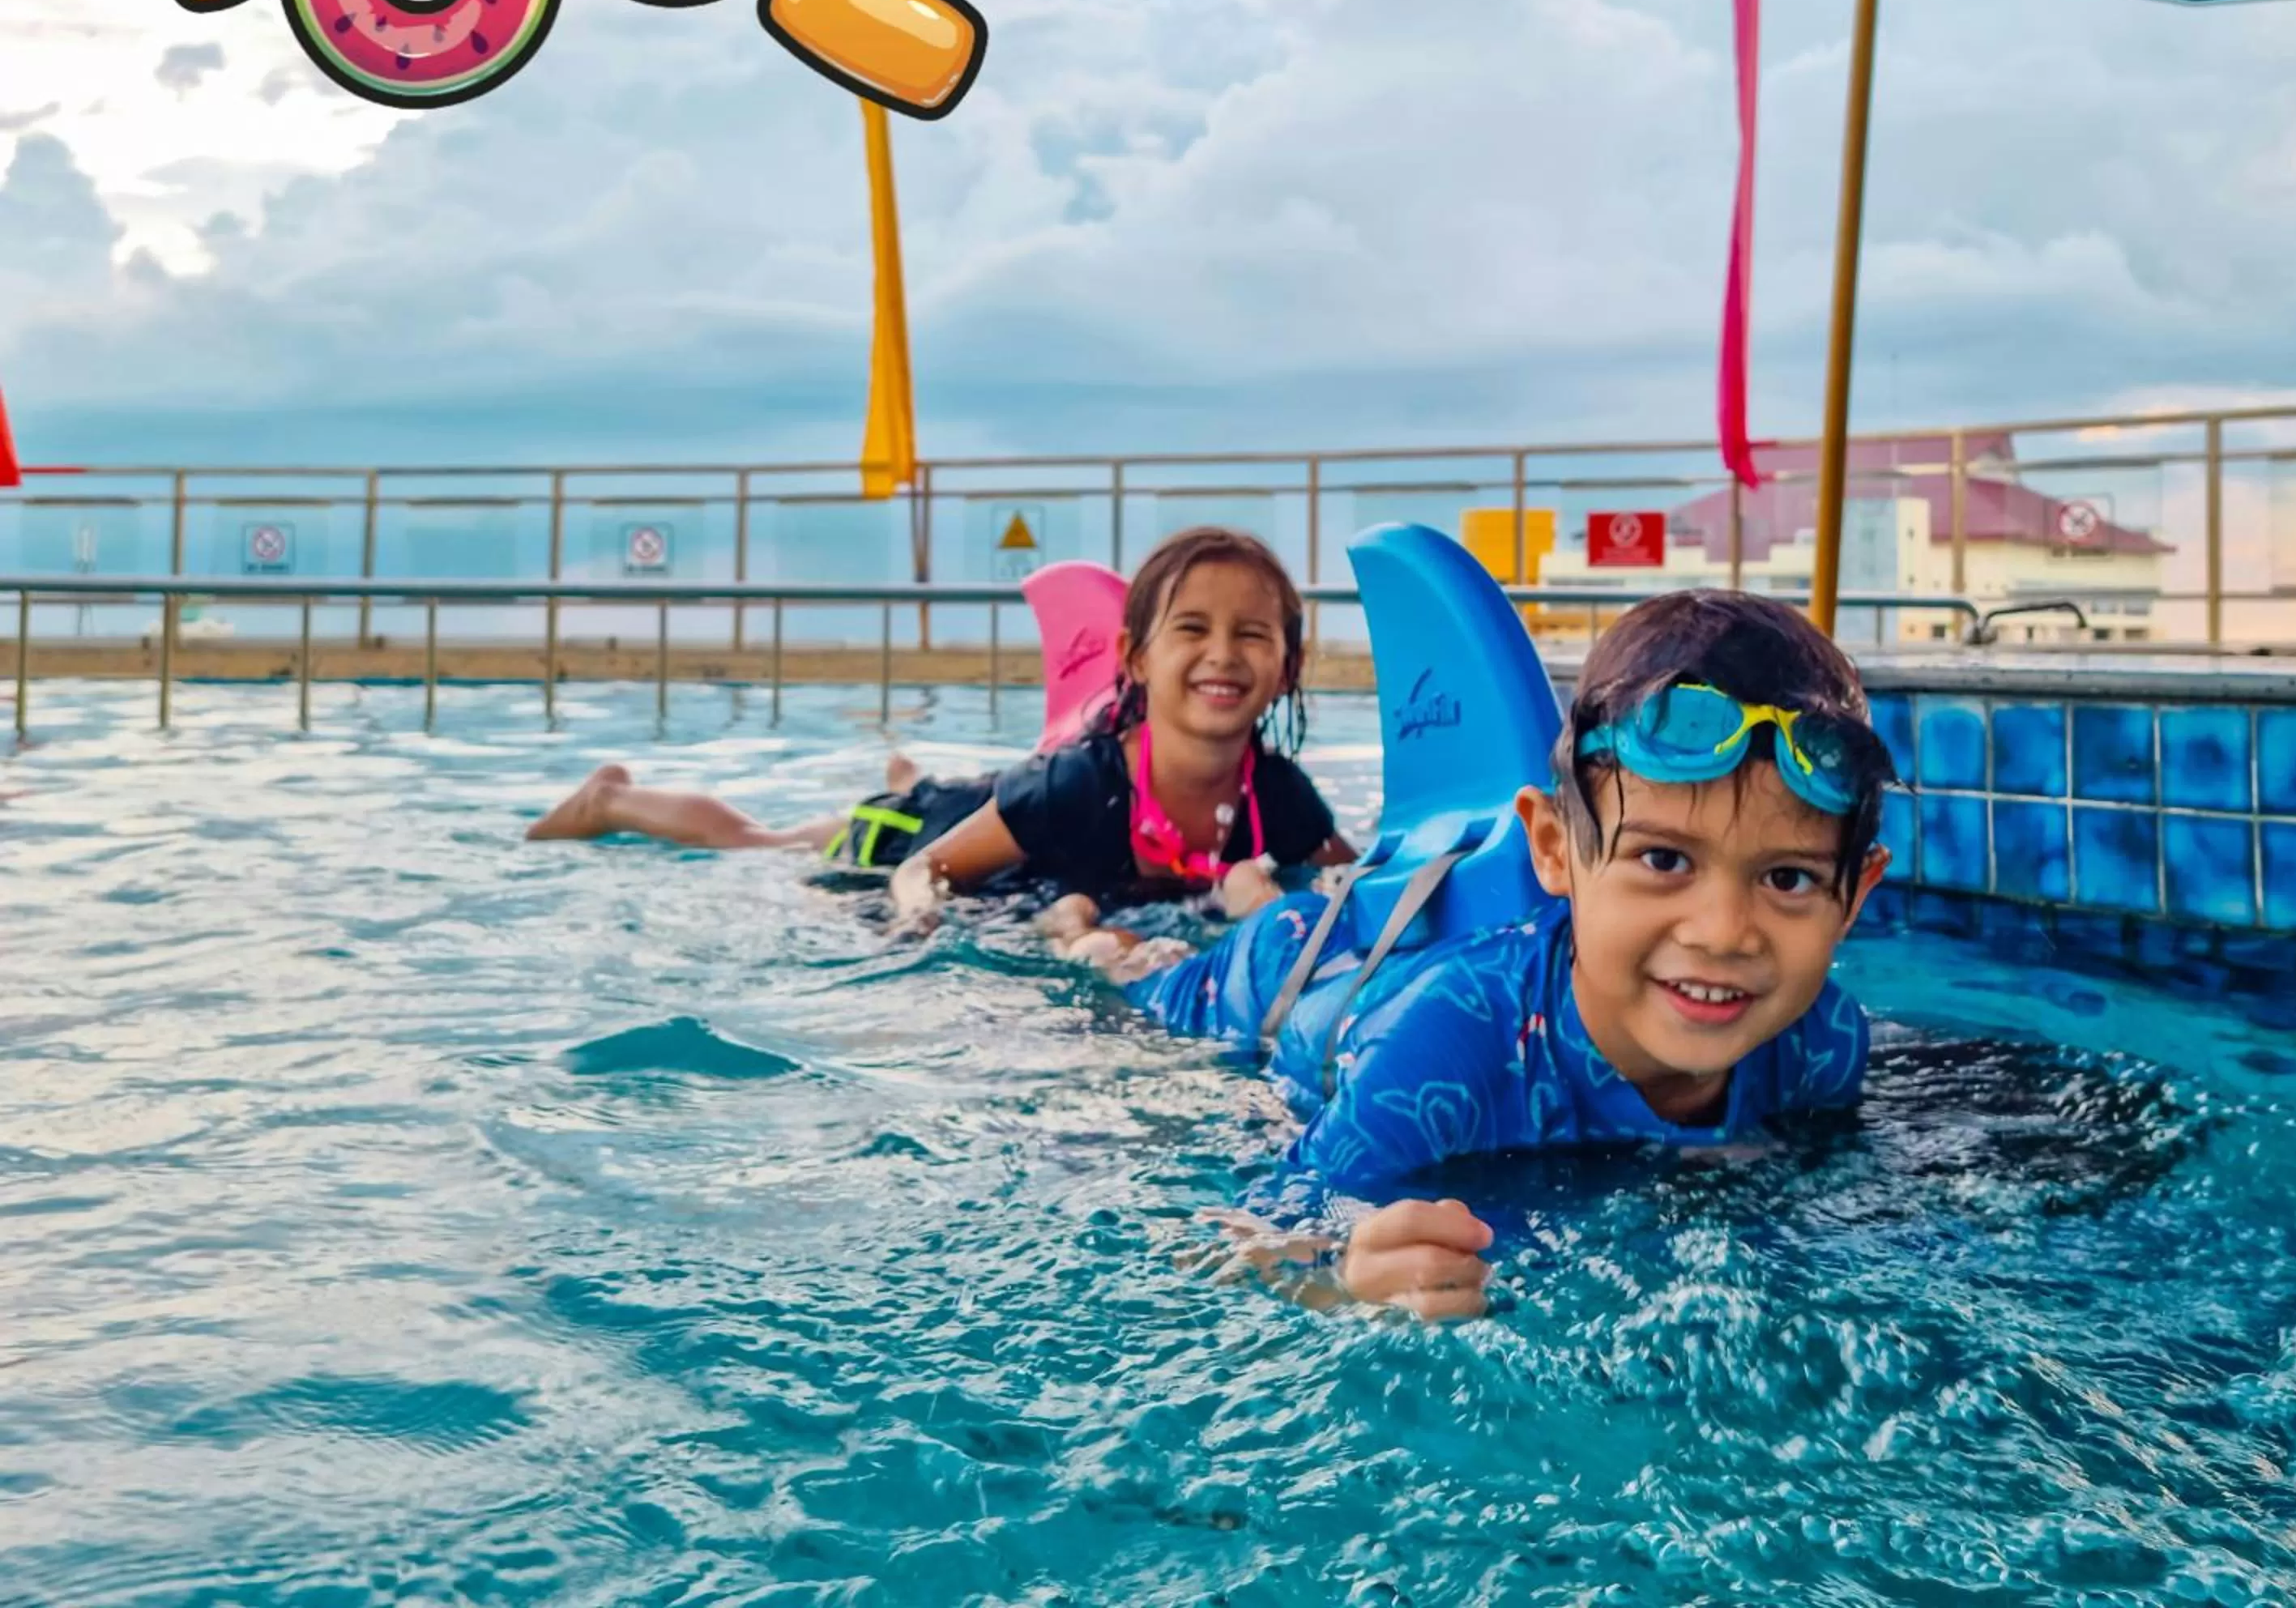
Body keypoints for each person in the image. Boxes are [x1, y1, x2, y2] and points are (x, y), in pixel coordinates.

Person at [1114, 588, 1897, 1319]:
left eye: (1788, 878)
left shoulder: (1821, 1047)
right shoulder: (1450, 1047)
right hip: (1284, 980)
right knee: (1132, 974)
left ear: (1854, 897)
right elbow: (1221, 1244)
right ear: (1552, 848)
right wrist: (1339, 1273)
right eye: (1664, 861)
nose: (1725, 932)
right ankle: (1104, 934)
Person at [528, 527, 1358, 931]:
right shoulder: (1082, 783)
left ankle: (907, 775)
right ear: (1134, 658)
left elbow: (1366, 879)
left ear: (1288, 664)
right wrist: (917, 923)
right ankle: (615, 798)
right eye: (1194, 630)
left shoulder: (1278, 796)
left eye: (1252, 634)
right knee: (769, 840)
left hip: (1003, 825)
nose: (1224, 655)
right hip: (927, 835)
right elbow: (926, 870)